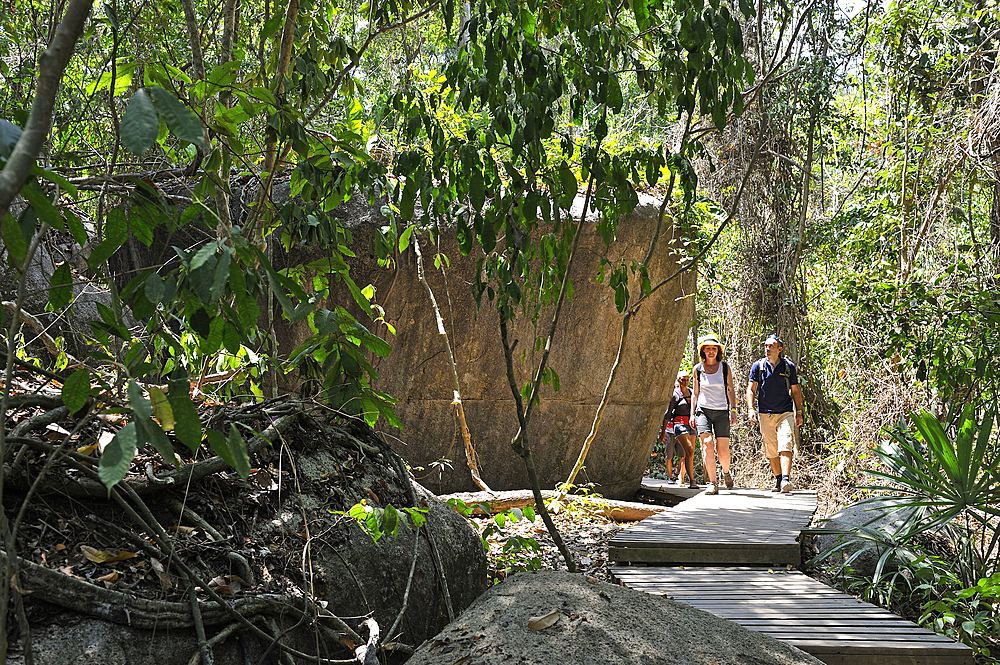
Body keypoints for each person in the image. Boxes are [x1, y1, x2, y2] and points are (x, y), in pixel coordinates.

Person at [746, 334, 804, 493]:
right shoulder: (758, 366)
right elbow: (750, 390)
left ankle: (786, 479)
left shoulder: (788, 367)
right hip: (765, 414)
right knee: (770, 449)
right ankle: (778, 479)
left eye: (771, 346)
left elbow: (796, 390)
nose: (767, 348)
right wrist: (750, 409)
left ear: (780, 349)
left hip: (785, 412)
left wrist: (798, 412)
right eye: (766, 346)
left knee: (785, 443)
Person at [691, 335, 737, 495]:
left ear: (718, 351)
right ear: (703, 351)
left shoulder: (725, 368)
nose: (711, 351)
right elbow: (695, 393)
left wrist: (733, 409)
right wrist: (692, 414)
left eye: (714, 348)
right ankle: (712, 483)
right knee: (707, 444)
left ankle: (726, 472)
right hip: (702, 410)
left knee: (723, 450)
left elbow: (730, 389)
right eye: (708, 348)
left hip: (721, 411)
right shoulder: (698, 369)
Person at [663, 371, 697, 488]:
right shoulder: (675, 395)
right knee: (689, 450)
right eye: (683, 379)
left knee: (690, 454)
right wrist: (663, 432)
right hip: (679, 424)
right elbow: (668, 414)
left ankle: (682, 478)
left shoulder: (692, 392)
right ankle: (692, 481)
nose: (685, 382)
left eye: (687, 379)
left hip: (691, 424)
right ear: (678, 380)